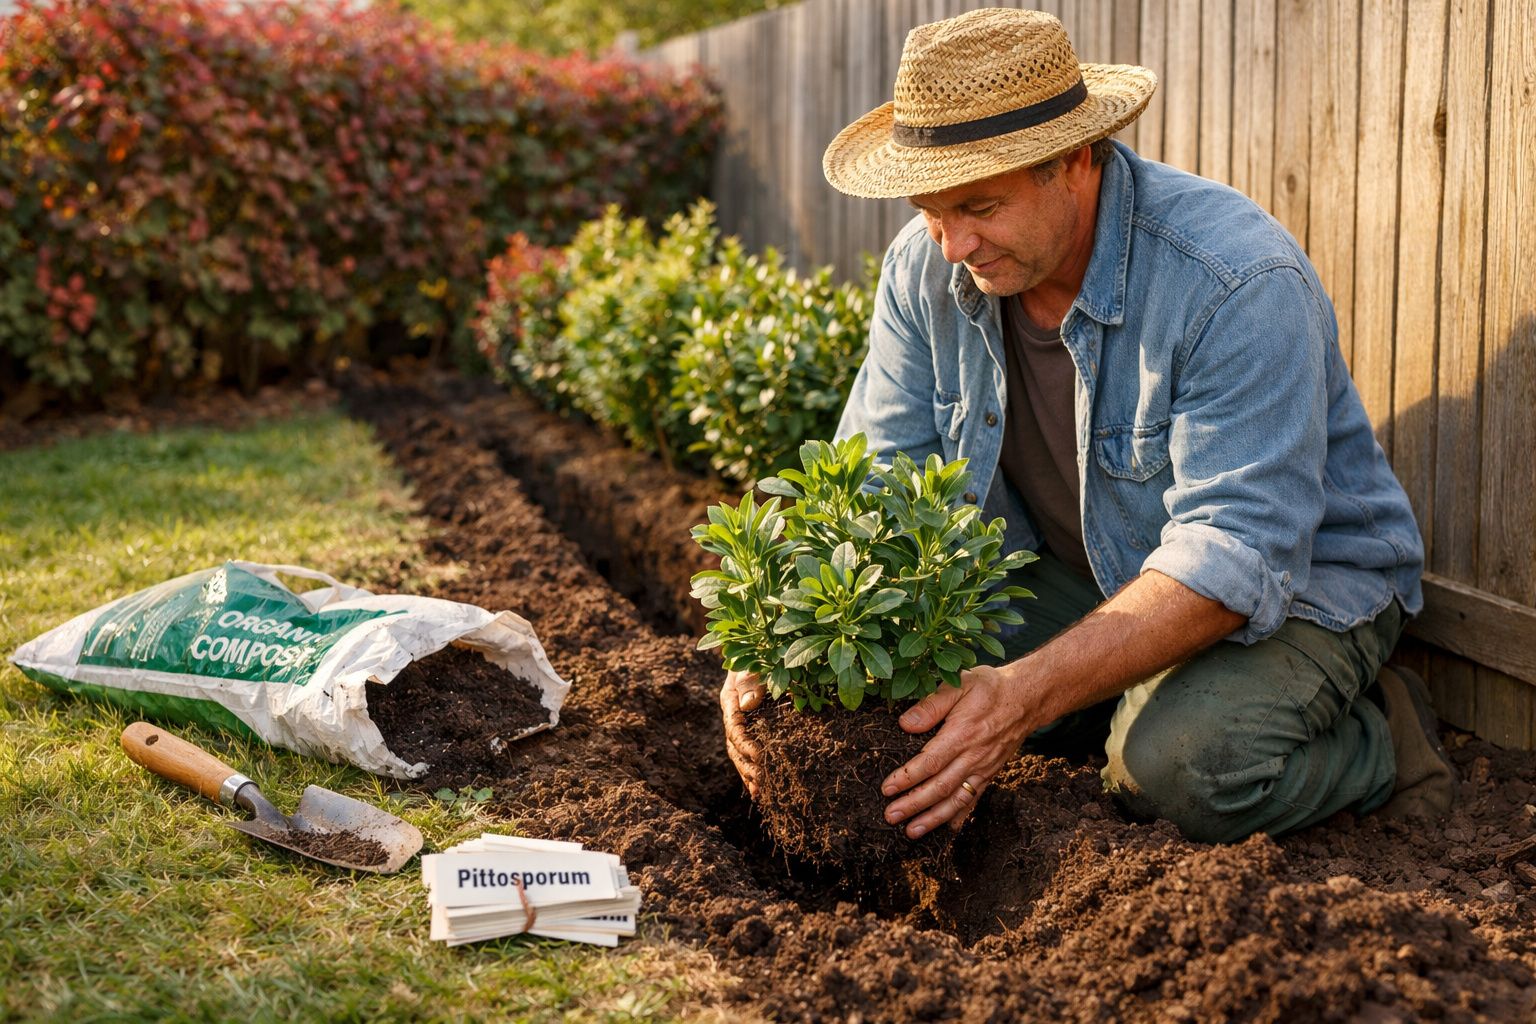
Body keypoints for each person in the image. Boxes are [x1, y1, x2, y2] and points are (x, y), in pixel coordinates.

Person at [719, 7, 1454, 845]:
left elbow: (1235, 552)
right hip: (1085, 570)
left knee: (1180, 770)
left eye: (980, 205)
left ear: (1073, 160)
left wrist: (1027, 691)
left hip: (1303, 588)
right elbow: (878, 471)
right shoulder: (925, 268)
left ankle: (1385, 736)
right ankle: (1109, 701)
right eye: (931, 210)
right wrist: (781, 640)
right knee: (902, 697)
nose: (952, 243)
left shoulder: (1233, 279)